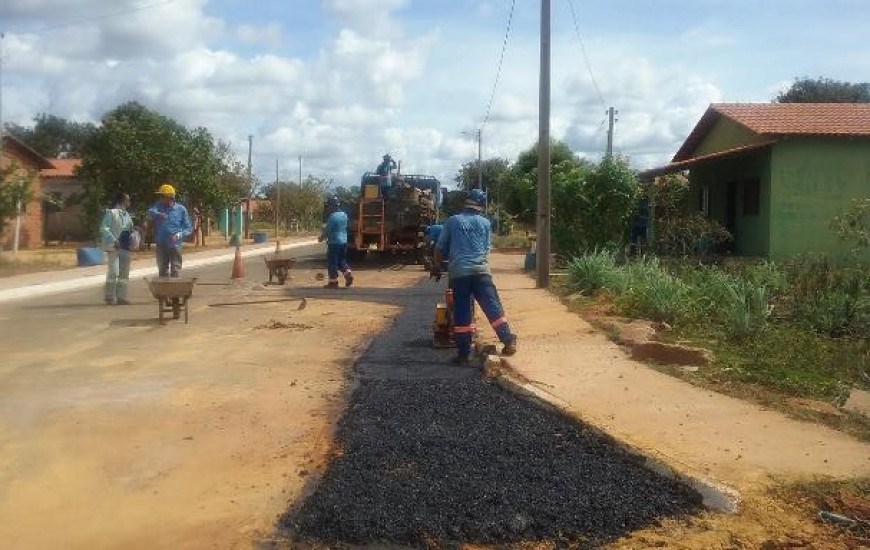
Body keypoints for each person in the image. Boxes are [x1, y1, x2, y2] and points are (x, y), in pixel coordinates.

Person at [434, 189, 517, 364]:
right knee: (492, 306)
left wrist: (437, 266)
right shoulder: (486, 223)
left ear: (467, 202)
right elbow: (486, 248)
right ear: (481, 206)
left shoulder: (453, 221)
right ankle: (508, 340)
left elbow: (440, 248)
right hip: (481, 272)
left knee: (462, 310)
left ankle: (464, 353)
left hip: (459, 273)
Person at [148, 184, 193, 278]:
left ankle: (175, 291)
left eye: (162, 196)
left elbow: (188, 228)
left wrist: (179, 235)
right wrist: (158, 214)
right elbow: (150, 212)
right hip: (161, 243)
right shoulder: (158, 206)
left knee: (175, 269)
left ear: (169, 197)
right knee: (162, 269)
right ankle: (164, 291)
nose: (160, 198)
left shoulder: (181, 209)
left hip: (175, 244)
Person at [100, 193, 134, 305]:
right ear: (123, 201)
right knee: (113, 271)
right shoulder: (112, 213)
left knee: (124, 273)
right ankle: (109, 296)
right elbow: (104, 228)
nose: (129, 202)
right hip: (114, 246)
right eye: (128, 200)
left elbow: (129, 229)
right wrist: (114, 240)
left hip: (125, 247)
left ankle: (121, 297)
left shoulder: (127, 215)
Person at [319, 196, 354, 289]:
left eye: (328, 206)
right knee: (341, 260)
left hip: (334, 242)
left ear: (332, 206)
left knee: (332, 262)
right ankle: (348, 274)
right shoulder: (344, 215)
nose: (328, 208)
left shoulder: (332, 217)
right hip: (344, 241)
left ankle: (333, 282)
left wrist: (321, 238)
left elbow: (327, 230)